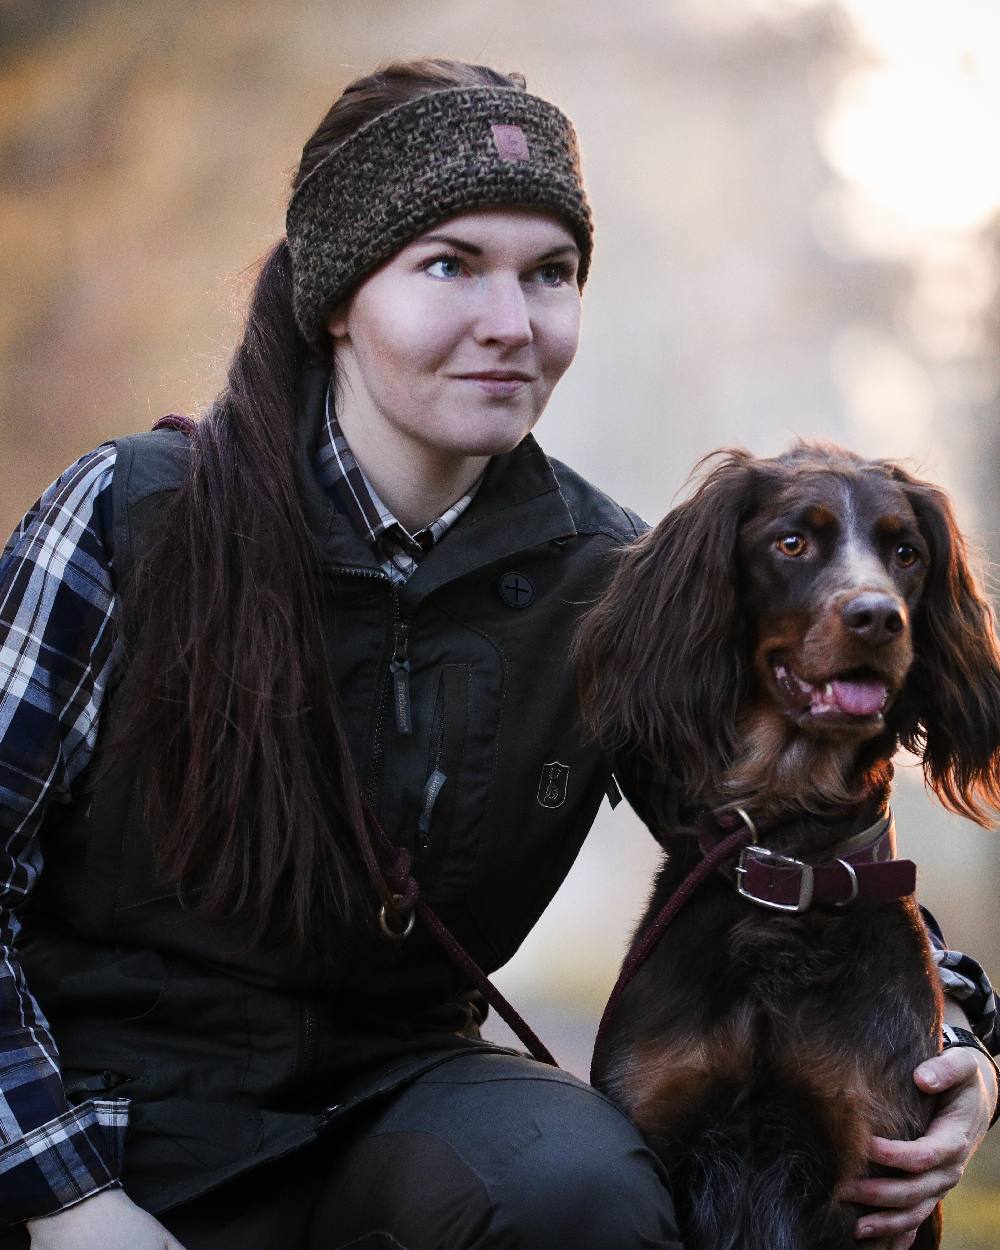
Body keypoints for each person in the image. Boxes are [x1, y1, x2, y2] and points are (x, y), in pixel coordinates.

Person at [0, 58, 996, 1250]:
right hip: (106, 1107)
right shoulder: (128, 512)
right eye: (449, 266)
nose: (510, 324)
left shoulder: (607, 582)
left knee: (577, 1185)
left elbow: (776, 843)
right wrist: (68, 1198)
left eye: (551, 274)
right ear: (336, 297)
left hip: (394, 1099)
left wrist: (963, 1045)